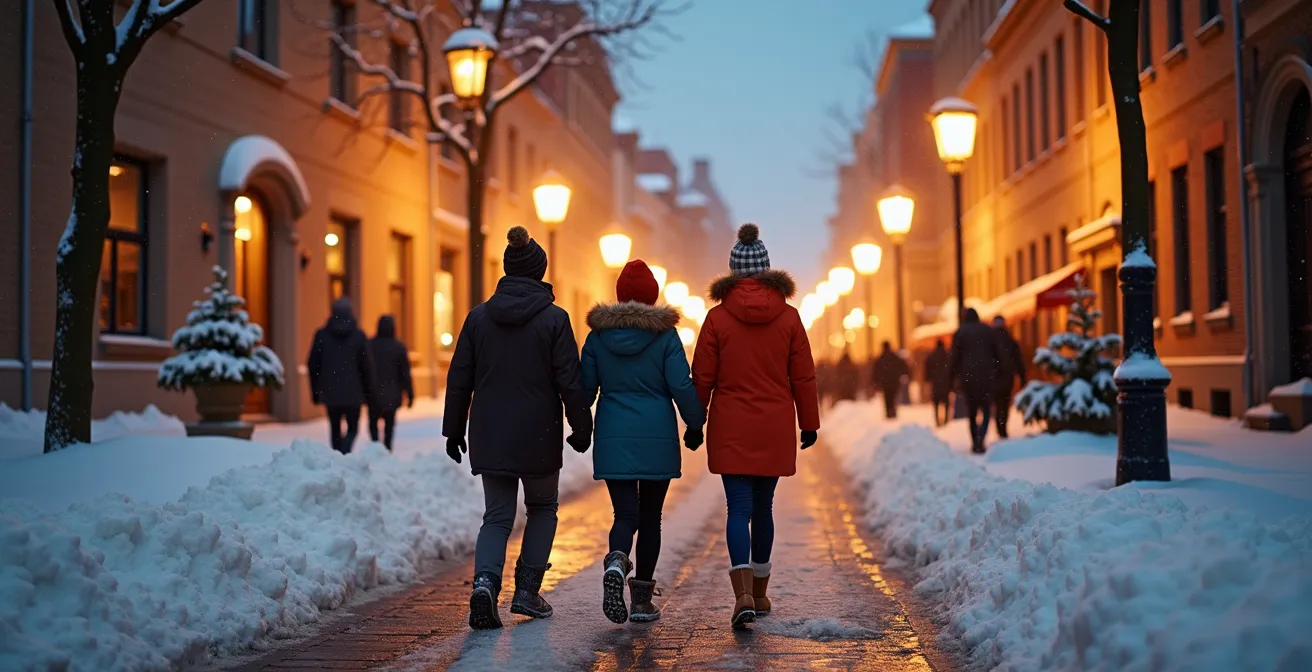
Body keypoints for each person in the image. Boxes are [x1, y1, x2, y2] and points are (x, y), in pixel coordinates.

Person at [442, 226, 593, 630]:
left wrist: (453, 430)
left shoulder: (477, 319)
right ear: (540, 273)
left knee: (496, 515)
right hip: (538, 434)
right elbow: (569, 380)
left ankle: (485, 585)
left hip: (490, 432)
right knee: (542, 507)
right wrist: (582, 427)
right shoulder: (555, 320)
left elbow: (460, 378)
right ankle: (527, 591)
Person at [692, 223, 820, 630]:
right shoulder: (789, 318)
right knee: (763, 509)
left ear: (732, 273)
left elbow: (702, 377)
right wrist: (809, 422)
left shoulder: (716, 319)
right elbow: (803, 376)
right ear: (767, 271)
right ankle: (761, 594)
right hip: (774, 425)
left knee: (738, 508)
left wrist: (696, 422)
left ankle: (742, 594)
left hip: (730, 424)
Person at [582, 259, 706, 624]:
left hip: (613, 436)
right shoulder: (665, 337)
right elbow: (681, 385)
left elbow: (584, 390)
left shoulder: (597, 337)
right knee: (651, 517)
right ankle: (641, 601)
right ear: (652, 298)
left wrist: (578, 424)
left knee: (625, 514)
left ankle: (617, 559)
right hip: (656, 438)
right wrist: (696, 423)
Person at [307, 297, 374, 455]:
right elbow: (367, 367)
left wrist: (316, 390)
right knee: (352, 428)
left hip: (330, 391)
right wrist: (369, 391)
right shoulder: (358, 336)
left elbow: (313, 365)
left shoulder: (322, 335)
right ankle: (344, 452)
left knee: (335, 428)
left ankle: (338, 454)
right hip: (353, 392)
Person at [950, 308, 1005, 453]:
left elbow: (955, 357)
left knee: (972, 411)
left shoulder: (960, 333)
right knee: (986, 409)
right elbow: (997, 354)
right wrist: (998, 371)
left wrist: (953, 377)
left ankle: (975, 440)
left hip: (968, 377)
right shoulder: (988, 331)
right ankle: (982, 436)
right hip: (987, 375)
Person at [367, 314, 413, 451]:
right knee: (389, 424)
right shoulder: (398, 347)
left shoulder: (370, 345)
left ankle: (375, 447)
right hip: (392, 392)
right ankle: (387, 449)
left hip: (373, 392)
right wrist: (410, 393)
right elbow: (404, 373)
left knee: (373, 422)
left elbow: (363, 369)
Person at [991, 316, 1026, 439]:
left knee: (997, 404)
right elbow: (1018, 360)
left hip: (994, 378)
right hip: (1007, 377)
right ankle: (1003, 427)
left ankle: (999, 427)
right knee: (1005, 404)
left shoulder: (989, 340)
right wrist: (1022, 376)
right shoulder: (1010, 339)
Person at [871, 341, 910, 420]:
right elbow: (903, 367)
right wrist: (903, 375)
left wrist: (875, 382)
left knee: (887, 398)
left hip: (885, 383)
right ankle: (892, 411)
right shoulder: (894, 357)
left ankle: (888, 413)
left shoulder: (881, 358)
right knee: (893, 397)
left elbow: (876, 372)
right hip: (894, 382)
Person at [924, 339, 953, 427]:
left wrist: (928, 379)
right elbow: (952, 369)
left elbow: (927, 370)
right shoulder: (948, 355)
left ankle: (937, 421)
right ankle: (946, 419)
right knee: (946, 402)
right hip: (945, 383)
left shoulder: (931, 356)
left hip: (936, 383)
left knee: (936, 403)